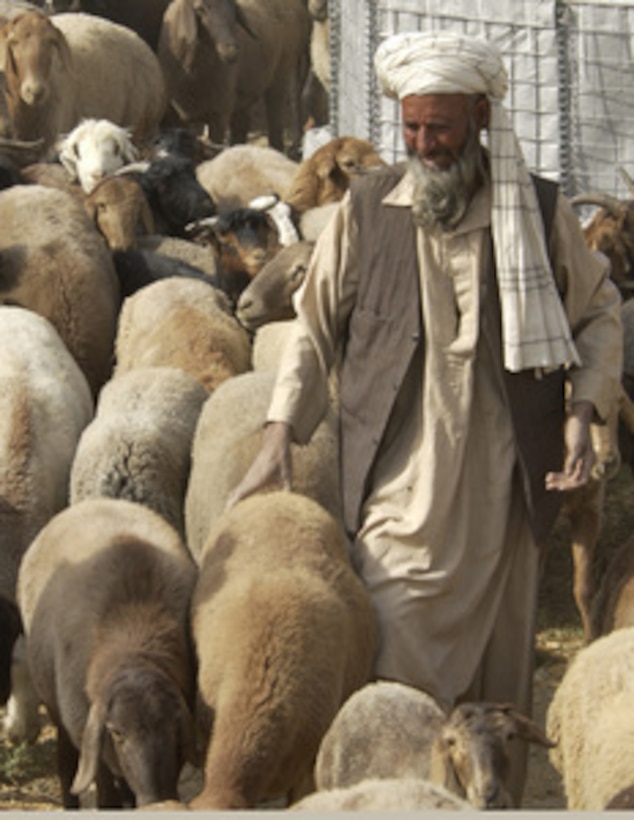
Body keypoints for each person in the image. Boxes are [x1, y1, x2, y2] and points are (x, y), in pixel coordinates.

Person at [227, 30, 623, 804]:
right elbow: (313, 330)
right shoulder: (368, 213)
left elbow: (600, 314)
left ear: (480, 116)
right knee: (396, 677)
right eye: (409, 129)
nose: (423, 145)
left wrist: (582, 415)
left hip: (507, 492)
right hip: (399, 490)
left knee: (497, 704)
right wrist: (279, 437)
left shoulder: (536, 212)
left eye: (438, 128)